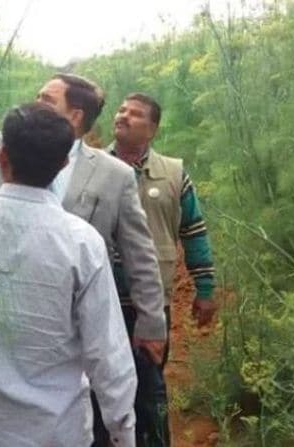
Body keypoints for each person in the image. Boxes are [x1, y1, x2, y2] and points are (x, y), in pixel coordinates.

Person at [0, 103, 137, 446]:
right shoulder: (80, 242)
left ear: (2, 156)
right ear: (63, 164)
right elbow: (109, 356)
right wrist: (123, 434)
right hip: (61, 433)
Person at [0, 73, 167, 360]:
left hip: (74, 324)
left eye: (46, 99)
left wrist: (152, 323)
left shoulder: (114, 175)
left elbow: (139, 255)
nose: (36, 102)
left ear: (75, 116)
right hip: (3, 313)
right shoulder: (1, 147)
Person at [108, 92, 218, 446]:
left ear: (152, 129)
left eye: (135, 114)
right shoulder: (90, 167)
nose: (123, 116)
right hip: (98, 299)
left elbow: (194, 230)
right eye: (121, 109)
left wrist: (204, 288)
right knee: (99, 389)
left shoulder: (173, 173)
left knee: (150, 388)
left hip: (151, 305)